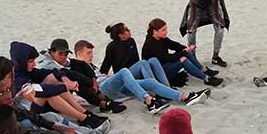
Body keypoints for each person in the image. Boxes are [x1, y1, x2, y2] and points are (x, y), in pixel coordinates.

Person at [0, 56, 125, 134]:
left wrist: (57, 127)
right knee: (42, 123)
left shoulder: (4, 93)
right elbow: (25, 132)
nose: (11, 82)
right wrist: (62, 133)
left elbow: (27, 114)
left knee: (50, 117)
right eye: (10, 77)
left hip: (21, 133)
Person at [73, 40, 211, 113]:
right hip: (103, 90)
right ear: (79, 53)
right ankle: (149, 101)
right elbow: (81, 88)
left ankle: (185, 97)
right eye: (88, 53)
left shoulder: (90, 65)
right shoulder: (76, 66)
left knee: (150, 81)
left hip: (112, 85)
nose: (91, 56)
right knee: (124, 71)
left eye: (91, 53)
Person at [9, 41, 109, 131]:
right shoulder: (17, 78)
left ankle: (85, 113)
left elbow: (55, 72)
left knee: (53, 78)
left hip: (39, 104)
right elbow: (40, 91)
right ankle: (84, 117)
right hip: (29, 112)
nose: (34, 64)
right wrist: (65, 87)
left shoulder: (27, 71)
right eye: (31, 61)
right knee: (47, 93)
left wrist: (65, 80)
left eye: (65, 54)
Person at [37, 38, 126, 114]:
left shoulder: (59, 58)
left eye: (66, 54)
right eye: (60, 53)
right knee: (75, 80)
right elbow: (68, 74)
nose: (63, 57)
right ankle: (102, 104)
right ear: (52, 52)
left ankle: (104, 99)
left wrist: (93, 80)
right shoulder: (46, 63)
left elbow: (82, 64)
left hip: (61, 93)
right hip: (48, 101)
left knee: (77, 67)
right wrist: (90, 83)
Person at [142, 18, 223, 87]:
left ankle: (203, 69)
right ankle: (206, 79)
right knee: (183, 59)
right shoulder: (150, 43)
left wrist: (186, 49)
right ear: (155, 32)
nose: (166, 32)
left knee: (185, 52)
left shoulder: (161, 38)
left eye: (166, 29)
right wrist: (184, 52)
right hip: (158, 73)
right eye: (163, 30)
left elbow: (174, 45)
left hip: (164, 65)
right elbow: (166, 58)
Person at [100, 23, 172, 86]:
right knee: (143, 63)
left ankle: (166, 86)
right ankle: (156, 87)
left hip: (135, 70)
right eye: (127, 30)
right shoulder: (112, 46)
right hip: (124, 74)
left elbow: (136, 59)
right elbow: (106, 63)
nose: (129, 30)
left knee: (153, 60)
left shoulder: (131, 41)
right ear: (121, 35)